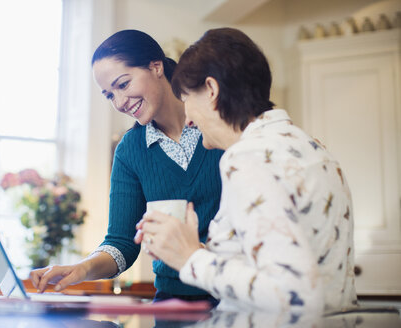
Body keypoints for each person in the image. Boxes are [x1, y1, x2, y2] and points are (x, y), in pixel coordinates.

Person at [135, 28, 357, 312]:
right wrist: (191, 247)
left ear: (212, 91)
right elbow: (278, 266)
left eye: (187, 98)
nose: (188, 118)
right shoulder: (313, 148)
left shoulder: (249, 157)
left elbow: (294, 293)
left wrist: (190, 258)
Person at [29, 29, 223, 304]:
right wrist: (83, 268)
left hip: (236, 295)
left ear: (156, 66)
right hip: (174, 303)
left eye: (123, 84)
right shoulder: (130, 150)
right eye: (109, 95)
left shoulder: (219, 124)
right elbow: (121, 243)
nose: (119, 102)